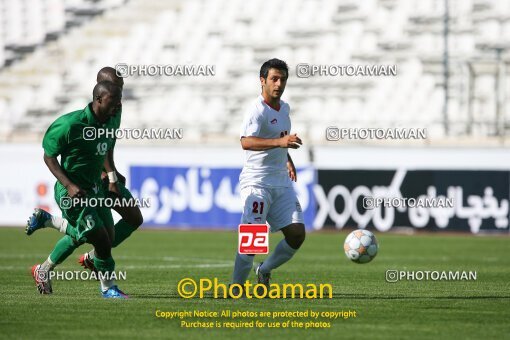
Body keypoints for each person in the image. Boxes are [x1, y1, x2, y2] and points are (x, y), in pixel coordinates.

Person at [26, 67, 143, 275]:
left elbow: (107, 142)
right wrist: (94, 176)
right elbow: (50, 155)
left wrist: (113, 173)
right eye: (116, 89)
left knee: (133, 218)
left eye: (121, 88)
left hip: (103, 179)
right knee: (94, 232)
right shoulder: (75, 123)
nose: (120, 95)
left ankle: (86, 255)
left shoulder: (115, 107)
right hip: (86, 182)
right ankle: (53, 251)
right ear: (100, 92)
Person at [232, 58, 306, 293]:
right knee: (252, 240)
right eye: (274, 79)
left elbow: (280, 138)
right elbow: (246, 142)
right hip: (257, 183)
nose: (279, 83)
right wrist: (280, 142)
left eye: (283, 79)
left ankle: (264, 269)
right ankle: (237, 288)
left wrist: (287, 160)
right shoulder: (256, 111)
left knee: (296, 234)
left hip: (280, 182)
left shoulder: (284, 108)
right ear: (262, 81)